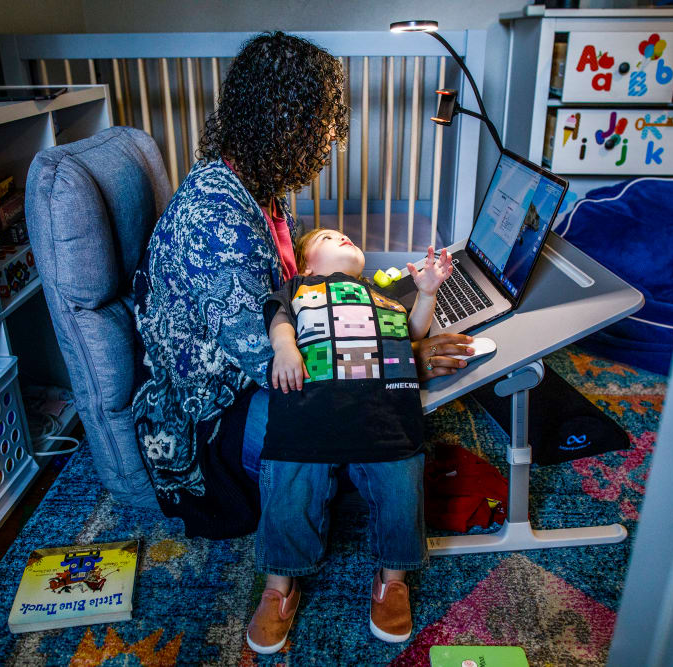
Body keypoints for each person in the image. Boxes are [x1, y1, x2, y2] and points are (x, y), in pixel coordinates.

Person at [132, 31, 474, 538]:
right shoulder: (217, 222)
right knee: (379, 430)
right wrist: (402, 360)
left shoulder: (259, 191)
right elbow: (279, 368)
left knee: (379, 417)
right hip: (213, 419)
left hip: (260, 376)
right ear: (281, 121)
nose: (331, 136)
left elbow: (294, 299)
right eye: (322, 122)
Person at [245, 228, 452, 654]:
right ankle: (279, 586)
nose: (343, 238)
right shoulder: (299, 288)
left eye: (344, 236)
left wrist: (427, 292)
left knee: (401, 490)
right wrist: (285, 349)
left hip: (385, 418)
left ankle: (393, 580)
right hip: (306, 417)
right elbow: (279, 320)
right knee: (289, 491)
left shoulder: (383, 294)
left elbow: (412, 332)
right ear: (307, 264)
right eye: (327, 236)